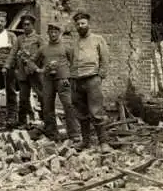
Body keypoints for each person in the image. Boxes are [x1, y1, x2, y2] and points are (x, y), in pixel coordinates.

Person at [69, 11, 113, 152]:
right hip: (77, 81)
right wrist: (72, 78)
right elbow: (72, 61)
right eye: (78, 24)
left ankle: (103, 143)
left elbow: (105, 59)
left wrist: (100, 76)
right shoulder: (75, 42)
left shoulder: (98, 39)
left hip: (92, 79)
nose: (80, 26)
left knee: (96, 112)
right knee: (81, 113)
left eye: (83, 23)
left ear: (88, 24)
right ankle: (85, 141)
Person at [32, 22, 80, 142]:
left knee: (68, 105)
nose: (53, 34)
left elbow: (74, 62)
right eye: (51, 32)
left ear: (60, 33)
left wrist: (70, 76)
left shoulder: (66, 48)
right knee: (47, 107)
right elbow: (31, 61)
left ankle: (73, 134)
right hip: (48, 80)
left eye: (55, 32)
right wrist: (40, 69)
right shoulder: (43, 48)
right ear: (48, 33)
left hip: (63, 80)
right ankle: (52, 134)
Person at [7, 14, 45, 127]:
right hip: (23, 73)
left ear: (33, 25)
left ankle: (45, 119)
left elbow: (44, 54)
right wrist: (6, 66)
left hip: (35, 72)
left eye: (28, 24)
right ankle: (22, 121)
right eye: (24, 24)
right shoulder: (19, 39)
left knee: (41, 95)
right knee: (23, 98)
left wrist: (35, 61)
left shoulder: (39, 39)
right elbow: (12, 53)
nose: (26, 27)